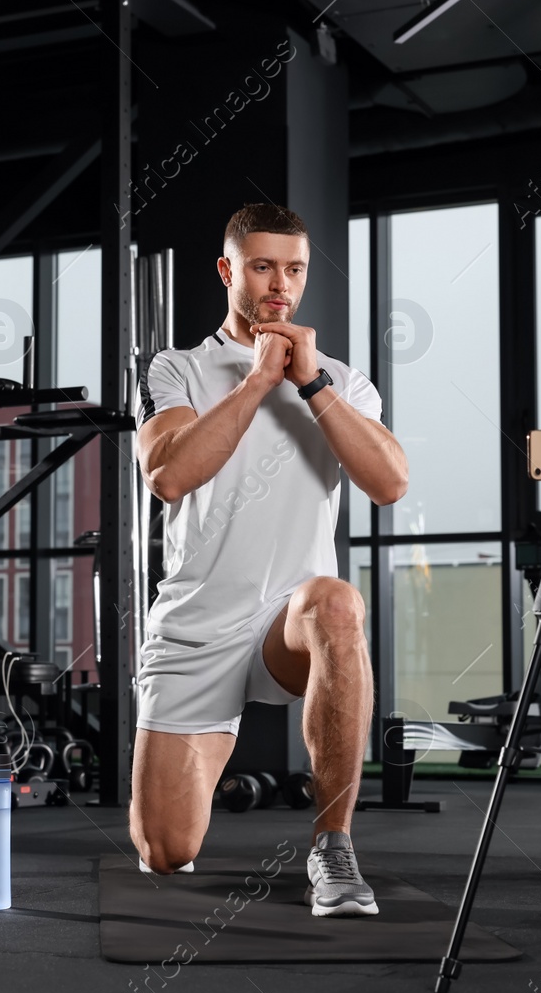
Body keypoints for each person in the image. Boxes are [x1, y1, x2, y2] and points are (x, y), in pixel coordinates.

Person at [128, 202, 408, 917]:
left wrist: (310, 385)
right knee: (165, 850)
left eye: (293, 269)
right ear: (228, 271)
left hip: (290, 619)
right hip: (198, 625)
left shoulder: (342, 381)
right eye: (261, 266)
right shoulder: (177, 369)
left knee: (338, 602)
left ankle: (332, 845)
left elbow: (390, 482)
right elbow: (168, 474)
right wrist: (257, 381)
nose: (279, 284)